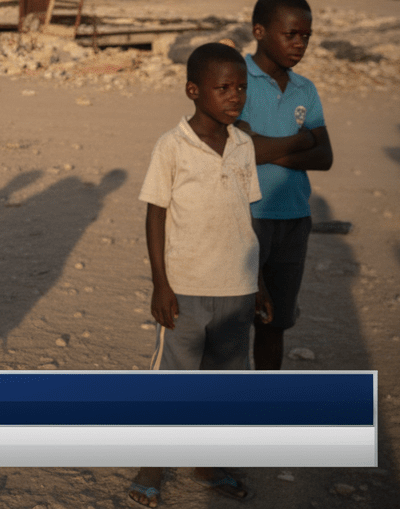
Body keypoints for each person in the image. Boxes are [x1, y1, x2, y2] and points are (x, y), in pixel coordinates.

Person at [127, 43, 267, 508]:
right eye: (223, 87)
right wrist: (160, 284)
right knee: (174, 381)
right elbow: (155, 215)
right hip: (185, 290)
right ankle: (152, 466)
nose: (235, 97)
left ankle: (207, 461)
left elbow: (246, 216)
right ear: (193, 90)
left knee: (223, 385)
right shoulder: (172, 146)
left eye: (241, 87)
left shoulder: (244, 144)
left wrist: (259, 282)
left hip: (237, 288)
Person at [236, 0, 332, 371]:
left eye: (306, 36)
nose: (299, 44)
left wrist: (264, 146)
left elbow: (325, 157)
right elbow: (242, 153)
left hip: (294, 219)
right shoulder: (236, 80)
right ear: (259, 31)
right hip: (248, 216)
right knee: (233, 322)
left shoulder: (304, 89)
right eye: (290, 34)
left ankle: (264, 408)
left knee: (274, 324)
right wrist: (300, 139)